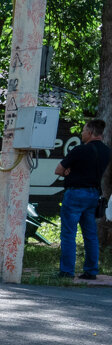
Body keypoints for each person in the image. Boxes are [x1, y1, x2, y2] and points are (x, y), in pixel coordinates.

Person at [55, 119, 110, 280]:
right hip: (93, 195)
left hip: (75, 194)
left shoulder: (79, 150)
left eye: (84, 130)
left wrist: (68, 171)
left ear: (91, 132)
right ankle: (91, 271)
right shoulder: (107, 151)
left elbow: (58, 170)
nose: (82, 133)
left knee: (68, 234)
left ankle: (66, 271)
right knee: (91, 234)